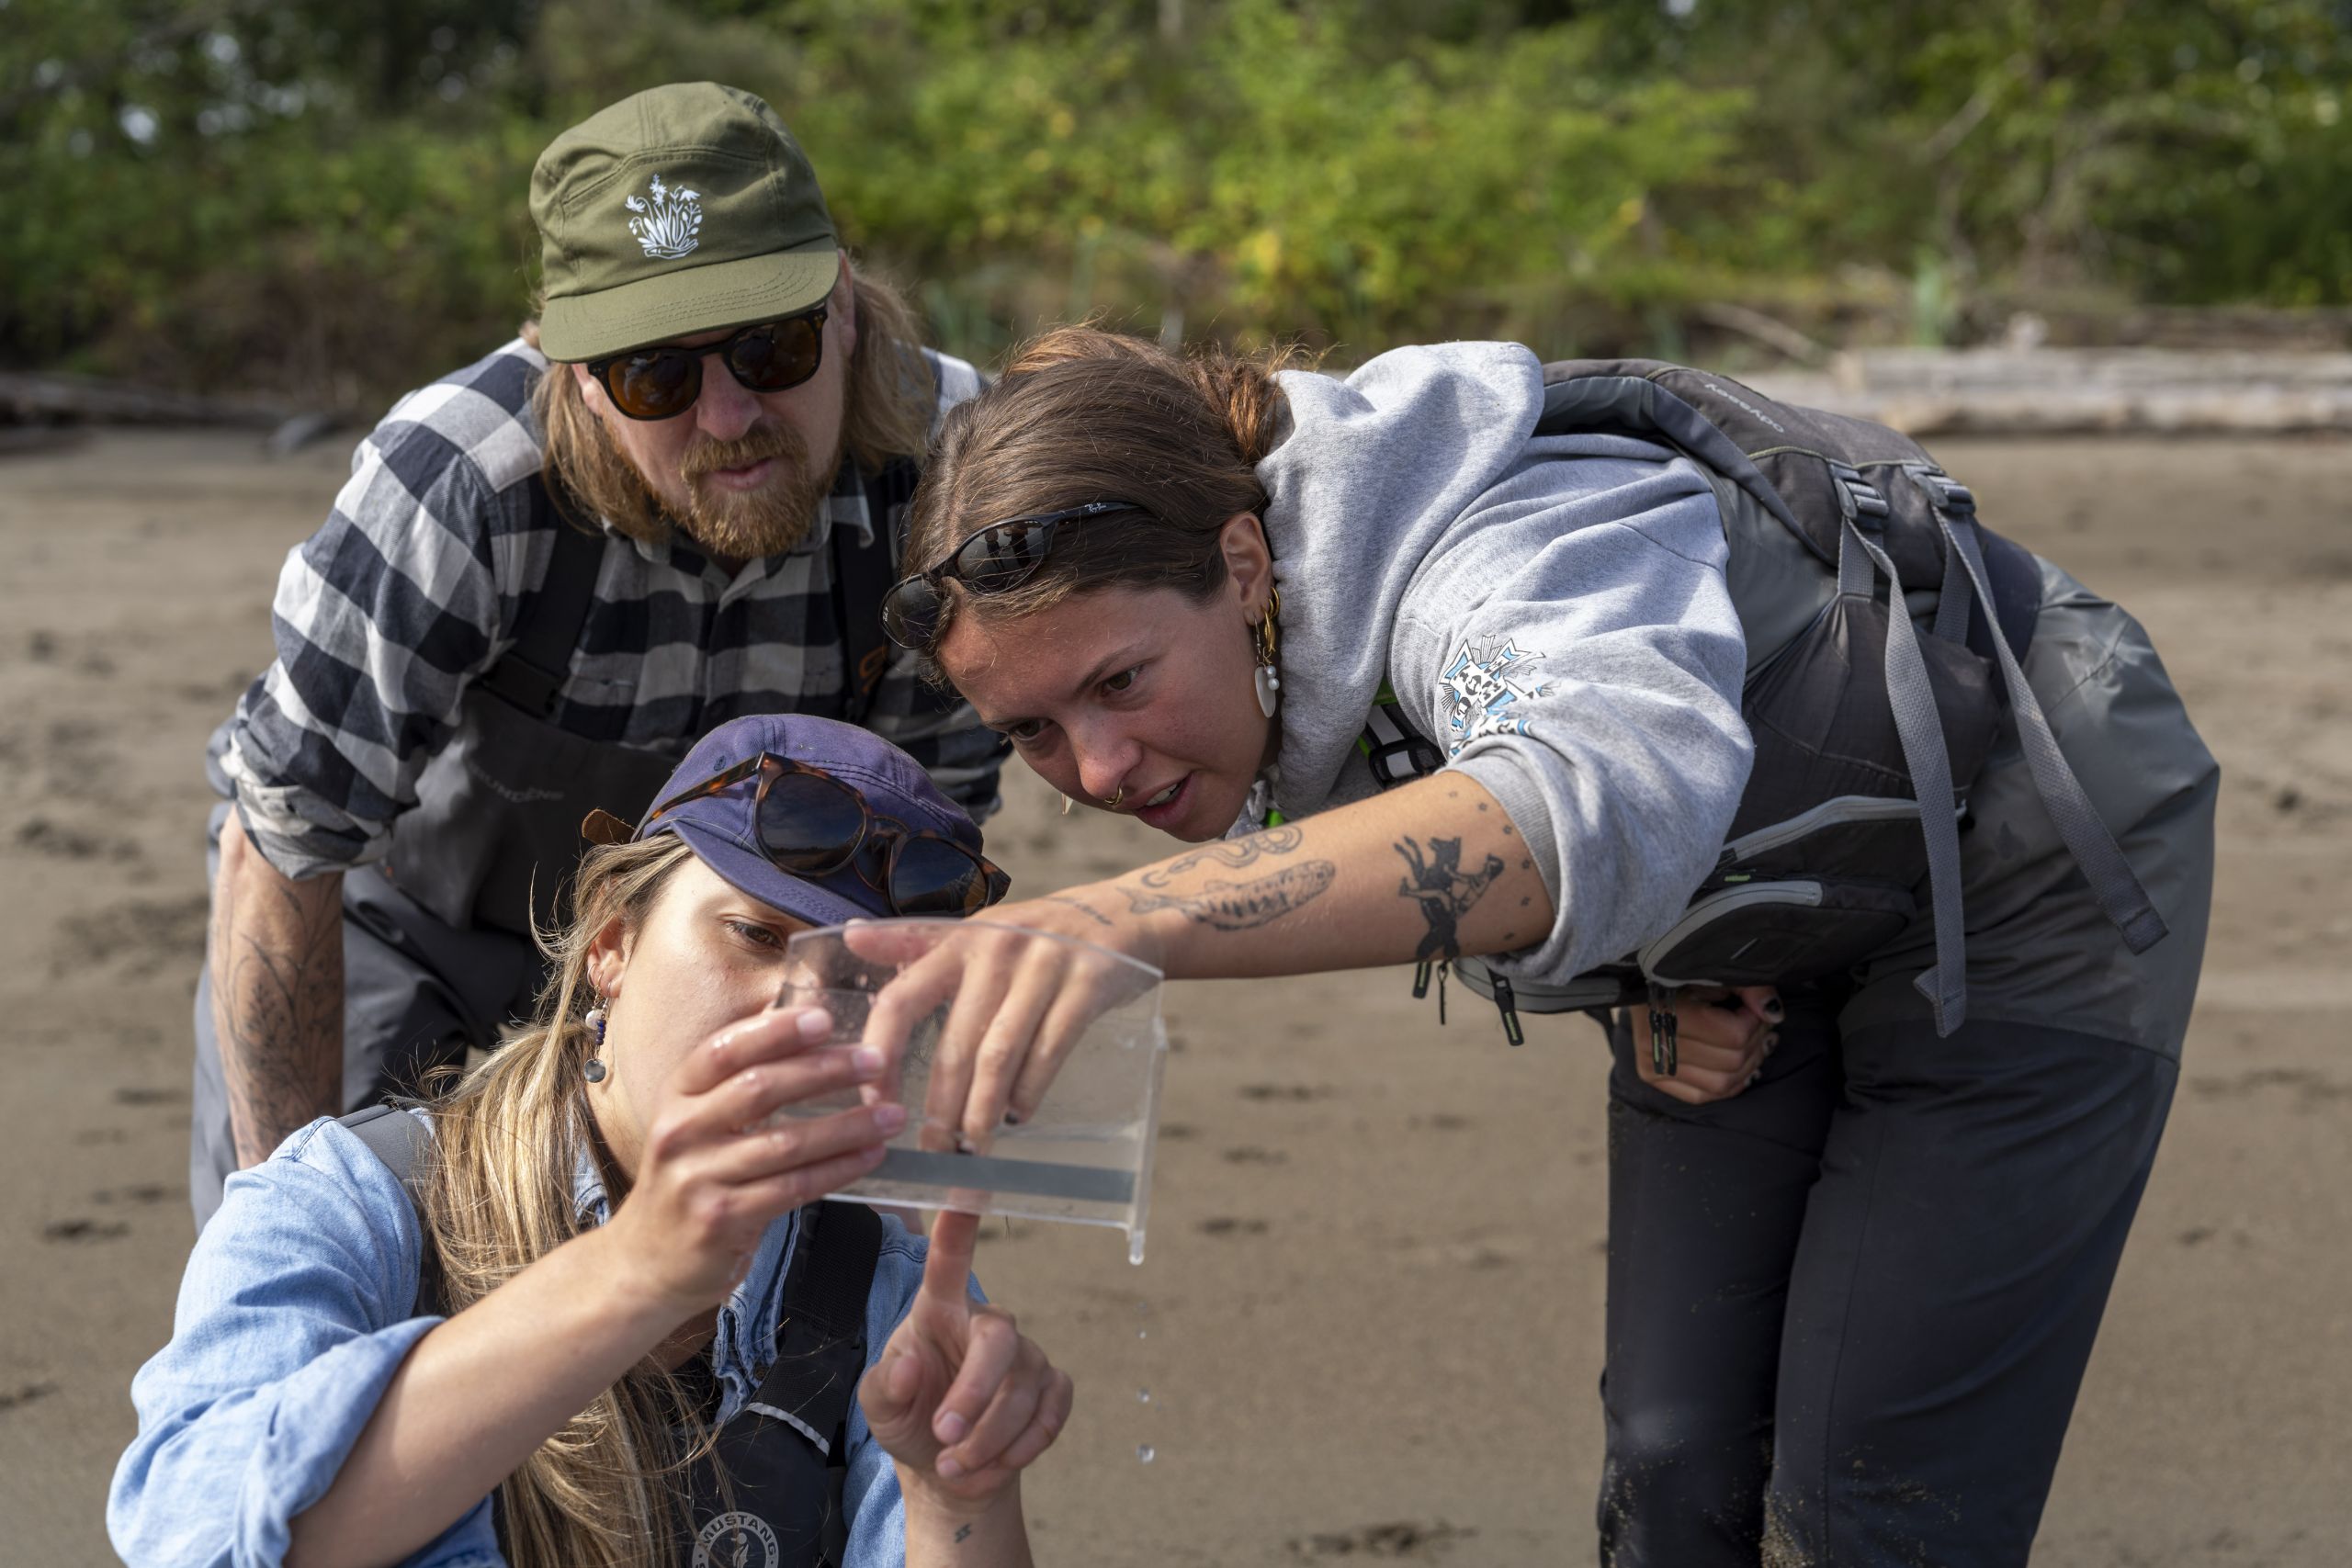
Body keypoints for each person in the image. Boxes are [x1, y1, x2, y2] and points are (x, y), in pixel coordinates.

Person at [854, 327, 2218, 1566]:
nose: (1099, 765)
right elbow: (1492, 817)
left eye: (1119, 681)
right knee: (1676, 1474)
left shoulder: (1489, 556)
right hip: (1758, 908)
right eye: (1032, 730)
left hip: (2033, 852)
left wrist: (1133, 913)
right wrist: (1610, 980)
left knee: (1868, 1502)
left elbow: (1600, 768)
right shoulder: (1240, 671)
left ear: (1245, 565)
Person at [191, 82, 1001, 1228]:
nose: (728, 417)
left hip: (751, 952)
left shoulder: (958, 475)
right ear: (574, 371)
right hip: (418, 937)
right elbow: (283, 846)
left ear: (848, 311)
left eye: (770, 347)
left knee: (749, 1334)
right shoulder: (457, 481)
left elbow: (925, 869)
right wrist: (286, 1237)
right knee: (376, 1305)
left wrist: (909, 1251)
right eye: (655, 375)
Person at [114, 713, 1068, 1568]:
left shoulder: (888, 1290)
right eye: (757, 936)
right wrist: (636, 1271)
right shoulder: (346, 1202)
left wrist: (957, 1494)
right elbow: (196, 1533)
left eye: (863, 985)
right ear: (611, 942)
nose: (804, 1014)